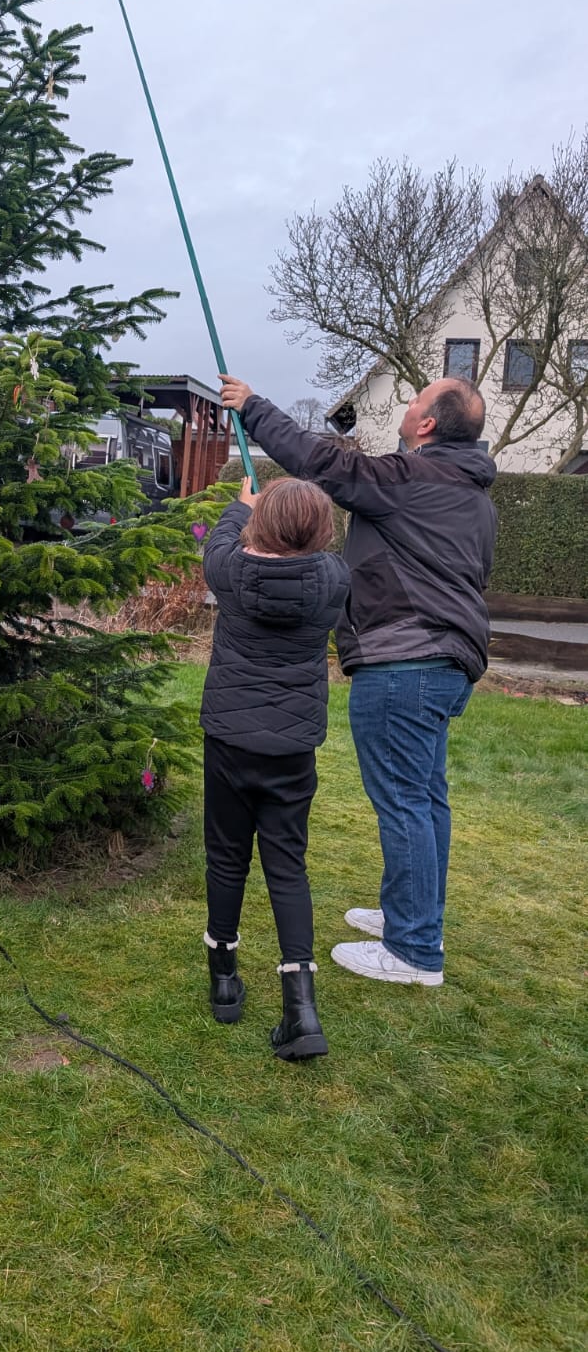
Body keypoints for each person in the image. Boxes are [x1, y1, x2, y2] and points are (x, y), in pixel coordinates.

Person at [217, 375, 497, 986]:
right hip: (446, 663)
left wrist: (255, 407)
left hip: (404, 665)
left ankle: (414, 951)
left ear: (427, 424)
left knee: (404, 802)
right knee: (425, 799)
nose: (408, 403)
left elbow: (321, 463)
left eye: (417, 398)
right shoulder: (471, 496)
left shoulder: (412, 479)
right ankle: (413, 916)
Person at [200, 476, 349, 1060]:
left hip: (231, 741)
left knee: (226, 856)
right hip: (292, 749)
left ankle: (224, 981)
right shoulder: (334, 580)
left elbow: (219, 542)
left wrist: (243, 504)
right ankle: (300, 1009)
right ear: (320, 531)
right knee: (287, 864)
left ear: (260, 526)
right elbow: (304, 552)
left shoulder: (231, 573)